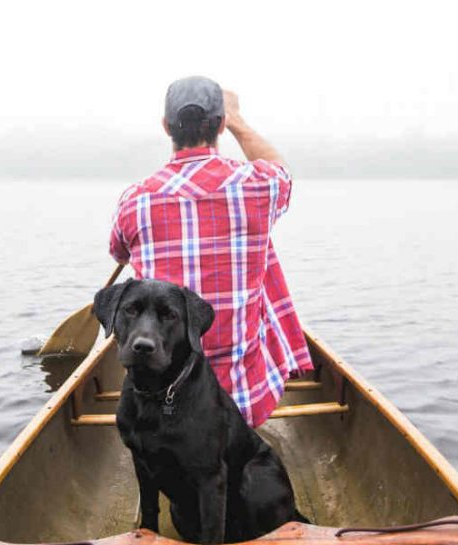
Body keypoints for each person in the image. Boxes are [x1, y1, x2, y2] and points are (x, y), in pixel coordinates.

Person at [108, 76, 313, 427]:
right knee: (265, 271)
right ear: (220, 124)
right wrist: (237, 119)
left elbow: (119, 253)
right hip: (241, 402)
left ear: (166, 127)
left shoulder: (134, 201)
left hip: (162, 402)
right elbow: (283, 171)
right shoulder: (259, 186)